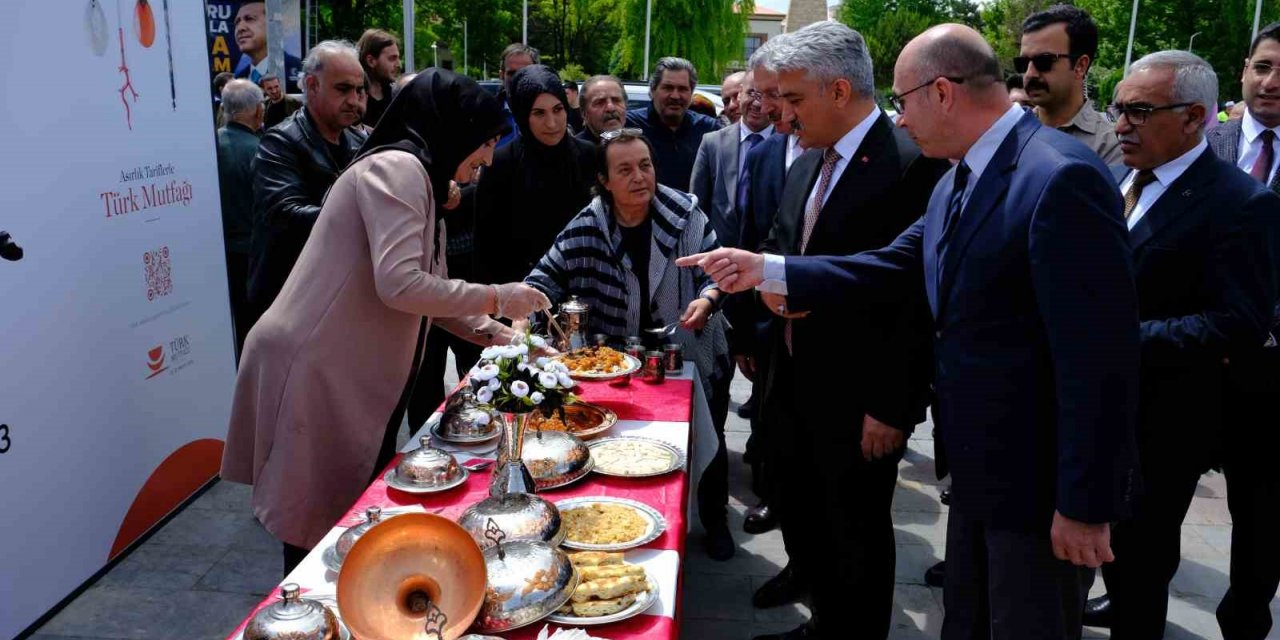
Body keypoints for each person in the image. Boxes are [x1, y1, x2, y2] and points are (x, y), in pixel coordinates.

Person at [679, 24, 1141, 640]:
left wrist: (1085, 504)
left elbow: (1099, 359)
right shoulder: (957, 174)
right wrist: (764, 267)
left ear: (942, 92)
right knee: (968, 621)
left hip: (1036, 483)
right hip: (977, 468)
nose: (898, 116)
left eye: (901, 100)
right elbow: (894, 262)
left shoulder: (1060, 176)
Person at [221, 69, 551, 576]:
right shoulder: (397, 170)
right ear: (453, 129)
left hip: (345, 370)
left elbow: (434, 294)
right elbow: (400, 285)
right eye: (484, 143)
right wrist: (501, 297)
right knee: (314, 527)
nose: (487, 158)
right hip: (317, 368)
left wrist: (507, 339)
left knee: (347, 516)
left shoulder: (420, 175)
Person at [738, 23, 947, 640]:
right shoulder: (806, 161)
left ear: (837, 91)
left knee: (855, 530)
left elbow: (915, 302)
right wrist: (768, 298)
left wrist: (892, 407)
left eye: (793, 100)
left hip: (861, 398)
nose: (782, 114)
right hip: (793, 376)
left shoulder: (913, 165)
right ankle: (817, 605)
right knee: (802, 505)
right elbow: (780, 246)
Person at [1076, 50, 1280, 640]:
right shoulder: (1121, 178)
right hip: (1104, 407)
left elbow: (1237, 322)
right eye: (1118, 109)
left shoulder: (1242, 204)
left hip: (1168, 421)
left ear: (1193, 117)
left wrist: (1120, 340)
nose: (1120, 126)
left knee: (1140, 561)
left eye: (1139, 112)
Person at [525, 130, 735, 561]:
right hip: (619, 362)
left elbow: (717, 271)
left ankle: (715, 521)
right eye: (625, 169)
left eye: (646, 165)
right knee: (626, 446)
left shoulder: (685, 214)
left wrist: (707, 298)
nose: (640, 177)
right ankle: (630, 519)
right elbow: (542, 278)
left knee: (707, 439)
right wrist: (522, 317)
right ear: (604, 180)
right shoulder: (587, 226)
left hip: (686, 348)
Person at [1204, 21, 1280, 640]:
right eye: (1262, 66)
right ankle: (1129, 590)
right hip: (1191, 360)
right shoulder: (1204, 141)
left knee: (1261, 514)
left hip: (1272, 374)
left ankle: (1247, 614)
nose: (1271, 82)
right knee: (1149, 503)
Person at [246, 41, 368, 330]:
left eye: (358, 90)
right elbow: (285, 214)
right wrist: (365, 212)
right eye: (343, 89)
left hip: (339, 302)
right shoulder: (280, 142)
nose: (354, 100)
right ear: (312, 86)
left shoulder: (359, 142)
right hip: (289, 304)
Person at [734, 38, 804, 544]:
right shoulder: (764, 154)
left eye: (770, 93)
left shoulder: (835, 154)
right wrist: (741, 331)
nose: (759, 105)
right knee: (769, 420)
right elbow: (749, 239)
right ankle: (773, 499)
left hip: (820, 331)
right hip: (763, 322)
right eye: (754, 94)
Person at [474, 65, 596, 286]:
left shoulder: (589, 156)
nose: (551, 123)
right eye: (539, 113)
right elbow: (487, 245)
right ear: (522, 115)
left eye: (558, 109)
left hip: (585, 288)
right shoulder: (502, 163)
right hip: (520, 291)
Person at [1019, 5, 1121, 163]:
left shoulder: (1110, 145)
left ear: (1080, 66)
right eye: (1023, 62)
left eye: (1044, 61)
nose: (1030, 73)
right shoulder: (1012, 131)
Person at [692, 72, 773, 250]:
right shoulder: (712, 142)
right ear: (741, 94)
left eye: (765, 95)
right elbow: (697, 208)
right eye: (752, 93)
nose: (758, 103)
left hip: (770, 260)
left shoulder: (789, 142)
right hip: (720, 257)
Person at [216, 80, 265, 361]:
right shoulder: (263, 151)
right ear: (258, 111)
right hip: (251, 256)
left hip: (220, 254)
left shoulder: (210, 147)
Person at [626, 57, 721, 192]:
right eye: (668, 88)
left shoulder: (709, 129)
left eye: (682, 89)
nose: (675, 96)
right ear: (653, 91)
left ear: (691, 93)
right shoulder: (629, 126)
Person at [232, 1, 302, 89]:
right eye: (237, 22)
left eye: (249, 19)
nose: (240, 28)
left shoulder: (298, 70)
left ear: (273, 25)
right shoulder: (238, 78)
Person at [497, 43, 539, 147]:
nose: (517, 78)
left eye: (524, 72)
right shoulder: (486, 115)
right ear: (502, 75)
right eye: (512, 73)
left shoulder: (553, 112)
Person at [357, 29, 401, 127]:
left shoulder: (396, 97)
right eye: (392, 58)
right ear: (371, 61)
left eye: (398, 58)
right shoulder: (354, 99)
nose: (398, 64)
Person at [577, 75, 627, 144]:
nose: (611, 108)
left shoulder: (638, 148)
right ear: (584, 114)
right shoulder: (573, 152)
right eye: (600, 102)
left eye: (616, 100)